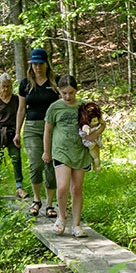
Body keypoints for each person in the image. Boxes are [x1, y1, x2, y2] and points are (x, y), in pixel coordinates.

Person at [42, 75, 103, 238]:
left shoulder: (84, 106)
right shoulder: (54, 108)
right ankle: (62, 218)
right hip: (61, 150)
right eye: (64, 93)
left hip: (79, 152)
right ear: (59, 91)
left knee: (77, 189)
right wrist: (46, 151)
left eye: (71, 93)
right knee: (62, 187)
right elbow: (47, 131)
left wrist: (94, 135)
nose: (68, 97)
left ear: (76, 90)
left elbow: (101, 124)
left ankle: (76, 225)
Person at [16, 48, 59, 217]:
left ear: (47, 64)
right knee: (36, 163)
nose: (37, 67)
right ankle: (36, 199)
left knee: (50, 164)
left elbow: (64, 105)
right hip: (32, 127)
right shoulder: (25, 84)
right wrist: (17, 132)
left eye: (40, 64)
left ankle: (49, 204)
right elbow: (21, 109)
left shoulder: (56, 82)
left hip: (53, 127)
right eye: (34, 64)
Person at [0, 73, 25, 198]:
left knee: (16, 158)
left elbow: (21, 113)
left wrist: (17, 131)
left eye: (8, 86)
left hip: (12, 133)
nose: (6, 89)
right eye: (3, 86)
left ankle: (19, 186)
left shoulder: (16, 99)